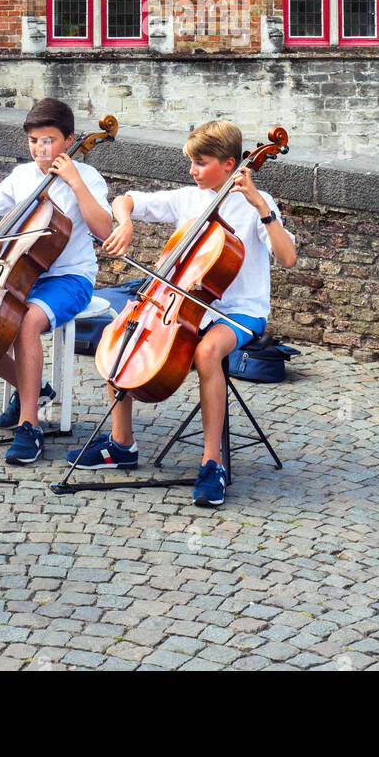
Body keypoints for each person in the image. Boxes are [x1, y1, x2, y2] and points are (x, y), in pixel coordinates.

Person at [69, 119, 297, 508]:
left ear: (230, 164)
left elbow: (288, 258)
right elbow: (126, 199)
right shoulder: (189, 199)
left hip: (240, 312)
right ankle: (121, 444)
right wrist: (124, 222)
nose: (193, 170)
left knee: (207, 352)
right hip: (184, 305)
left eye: (201, 162)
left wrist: (260, 205)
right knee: (122, 336)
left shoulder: (258, 204)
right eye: (191, 161)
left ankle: (212, 464)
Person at [0, 97, 113, 465]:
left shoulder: (88, 178)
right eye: (34, 140)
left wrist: (74, 182)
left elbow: (104, 229)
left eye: (49, 140)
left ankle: (29, 427)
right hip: (21, 273)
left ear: (69, 140)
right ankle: (34, 389)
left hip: (69, 278)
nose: (40, 148)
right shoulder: (22, 176)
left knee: (27, 324)